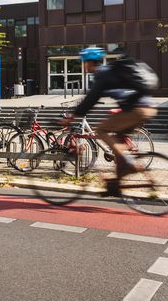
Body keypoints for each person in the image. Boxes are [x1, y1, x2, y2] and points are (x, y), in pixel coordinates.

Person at [60, 47, 158, 196]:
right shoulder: (110, 72)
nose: (84, 66)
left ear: (88, 63)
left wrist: (72, 116)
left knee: (101, 130)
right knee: (118, 141)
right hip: (147, 107)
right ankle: (116, 186)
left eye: (84, 63)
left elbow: (90, 100)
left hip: (137, 109)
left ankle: (129, 163)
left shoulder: (102, 75)